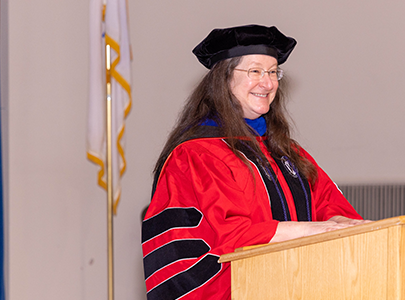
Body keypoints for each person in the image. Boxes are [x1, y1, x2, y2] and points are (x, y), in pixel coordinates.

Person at [141, 24, 368, 300]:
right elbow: (233, 236)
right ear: (224, 79)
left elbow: (329, 205)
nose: (268, 82)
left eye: (273, 72)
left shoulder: (287, 152)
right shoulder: (197, 154)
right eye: (255, 71)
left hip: (295, 287)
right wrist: (313, 229)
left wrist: (344, 225)